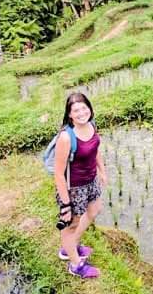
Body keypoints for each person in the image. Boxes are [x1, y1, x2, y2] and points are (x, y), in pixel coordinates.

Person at [54, 92, 106, 278]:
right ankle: (75, 265)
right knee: (71, 225)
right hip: (74, 188)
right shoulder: (66, 138)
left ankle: (70, 247)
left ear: (90, 109)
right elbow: (59, 174)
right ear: (70, 114)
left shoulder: (91, 125)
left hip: (91, 180)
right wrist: (66, 205)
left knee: (94, 210)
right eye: (76, 110)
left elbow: (95, 148)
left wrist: (102, 170)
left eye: (84, 108)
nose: (82, 113)